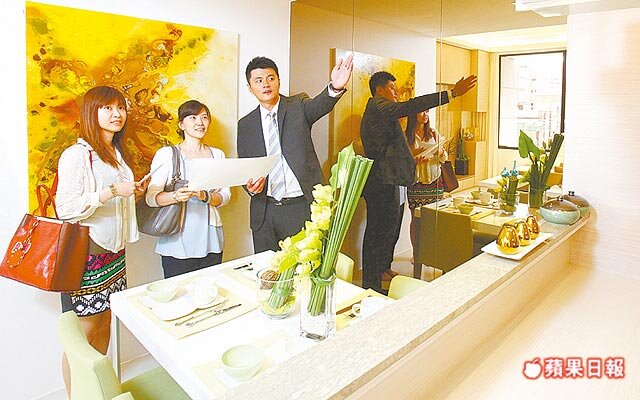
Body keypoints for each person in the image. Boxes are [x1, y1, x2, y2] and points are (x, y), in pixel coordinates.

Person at [56, 85, 145, 394]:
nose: (117, 114)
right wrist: (112, 192)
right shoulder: (77, 155)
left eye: (120, 107)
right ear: (91, 113)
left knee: (106, 321)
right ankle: (77, 395)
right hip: (88, 254)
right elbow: (66, 208)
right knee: (84, 333)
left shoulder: (116, 154)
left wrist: (132, 193)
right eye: (107, 108)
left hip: (114, 252)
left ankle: (98, 392)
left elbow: (117, 199)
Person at [360, 71, 476, 291]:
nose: (396, 92)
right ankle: (371, 286)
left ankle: (380, 274)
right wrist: (451, 93)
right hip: (380, 182)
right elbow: (411, 106)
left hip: (391, 179)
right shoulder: (377, 105)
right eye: (392, 88)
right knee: (377, 233)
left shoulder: (382, 110)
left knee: (388, 231)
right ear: (379, 90)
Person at [237, 54, 353, 252]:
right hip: (265, 212)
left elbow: (318, 105)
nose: (265, 84)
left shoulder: (298, 106)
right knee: (267, 268)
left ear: (278, 81)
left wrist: (335, 87)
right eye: (258, 80)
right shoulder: (246, 124)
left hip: (300, 208)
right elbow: (245, 166)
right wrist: (251, 187)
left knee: (304, 266)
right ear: (250, 87)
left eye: (270, 78)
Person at [146, 100, 231, 278]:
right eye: (193, 118)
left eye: (204, 117)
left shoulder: (218, 155)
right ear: (181, 124)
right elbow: (151, 198)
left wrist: (205, 196)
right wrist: (175, 196)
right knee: (179, 291)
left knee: (210, 289)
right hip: (177, 240)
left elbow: (225, 196)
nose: (200, 122)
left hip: (211, 238)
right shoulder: (167, 154)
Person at [405, 110, 448, 254]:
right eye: (422, 111)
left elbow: (444, 158)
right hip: (416, 182)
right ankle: (416, 254)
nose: (425, 115)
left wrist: (440, 153)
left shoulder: (433, 133)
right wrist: (414, 160)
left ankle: (432, 253)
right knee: (416, 220)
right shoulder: (407, 136)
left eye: (427, 111)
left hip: (435, 180)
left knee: (435, 220)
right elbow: (403, 161)